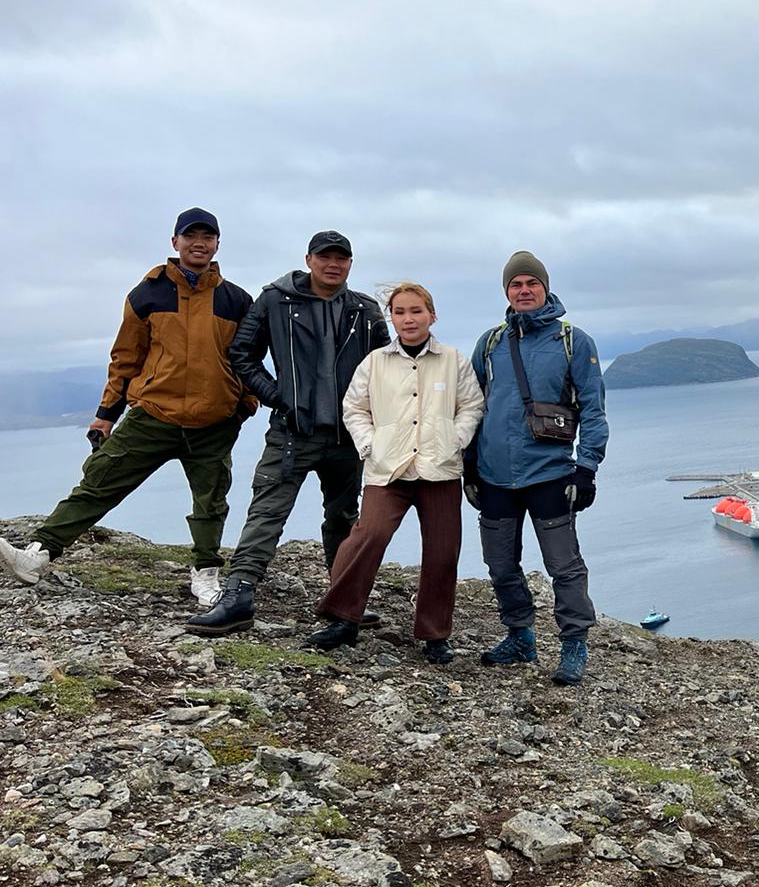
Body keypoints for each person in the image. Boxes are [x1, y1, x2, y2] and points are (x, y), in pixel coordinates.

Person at [0, 209, 255, 602]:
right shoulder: (147, 294)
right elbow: (125, 359)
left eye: (208, 236)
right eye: (191, 236)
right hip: (153, 416)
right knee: (99, 482)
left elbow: (249, 357)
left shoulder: (236, 300)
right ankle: (37, 556)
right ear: (175, 243)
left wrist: (244, 406)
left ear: (218, 243)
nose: (199, 242)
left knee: (211, 501)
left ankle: (205, 575)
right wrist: (106, 416)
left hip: (213, 422)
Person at [186, 231, 389, 635]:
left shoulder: (365, 310)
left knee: (344, 516)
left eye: (341, 258)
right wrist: (277, 396)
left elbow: (386, 367)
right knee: (267, 512)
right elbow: (242, 353)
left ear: (351, 263)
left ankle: (343, 598)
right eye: (325, 256)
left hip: (348, 435)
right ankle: (238, 596)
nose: (333, 264)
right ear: (309, 259)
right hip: (292, 431)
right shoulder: (277, 300)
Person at [307, 281, 484, 663]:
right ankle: (342, 619)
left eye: (416, 311)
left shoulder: (454, 360)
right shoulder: (375, 362)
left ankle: (435, 634)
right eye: (400, 312)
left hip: (439, 468)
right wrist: (370, 445)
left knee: (441, 552)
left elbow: (471, 405)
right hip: (388, 468)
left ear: (431, 316)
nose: (408, 318)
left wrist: (457, 437)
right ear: (392, 317)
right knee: (367, 536)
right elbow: (354, 408)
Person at [469, 251, 608, 684]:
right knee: (500, 564)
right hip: (494, 475)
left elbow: (594, 410)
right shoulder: (490, 343)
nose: (524, 290)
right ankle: (520, 635)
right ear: (506, 293)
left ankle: (573, 645)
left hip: (550, 473)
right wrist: (469, 467)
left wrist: (586, 468)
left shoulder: (572, 340)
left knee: (564, 566)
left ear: (545, 288)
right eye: (516, 285)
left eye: (531, 283)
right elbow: (471, 409)